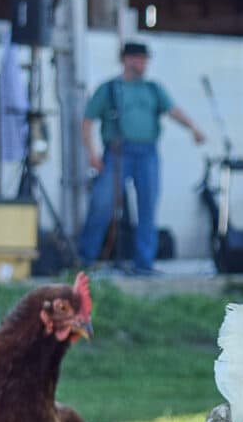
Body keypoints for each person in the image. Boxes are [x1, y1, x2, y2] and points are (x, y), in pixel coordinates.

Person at [77, 40, 205, 276]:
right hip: (117, 152)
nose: (143, 64)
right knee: (102, 204)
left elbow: (172, 110)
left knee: (148, 206)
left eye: (145, 59)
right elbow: (87, 121)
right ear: (126, 60)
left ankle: (143, 263)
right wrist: (91, 153)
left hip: (147, 152)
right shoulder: (109, 89)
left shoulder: (153, 89)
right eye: (138, 58)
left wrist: (192, 128)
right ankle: (85, 259)